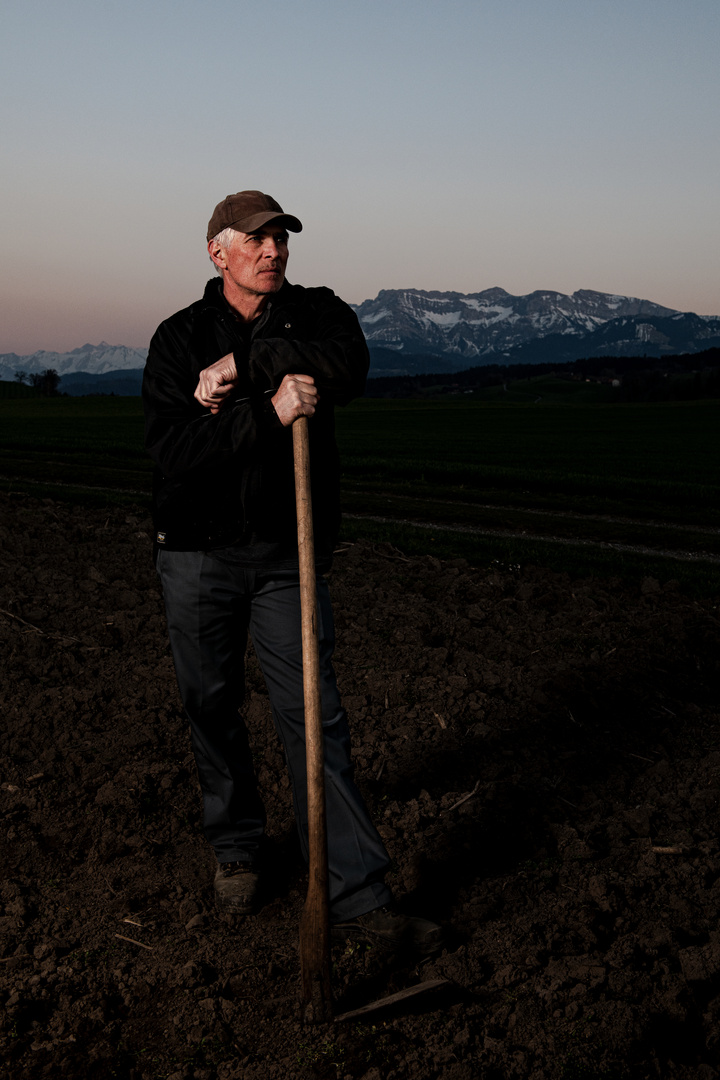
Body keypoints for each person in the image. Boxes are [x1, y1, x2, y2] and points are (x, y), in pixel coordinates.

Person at [142, 190, 442, 954]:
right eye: (256, 240)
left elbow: (348, 366)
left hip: (287, 556)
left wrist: (248, 362)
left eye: (281, 239)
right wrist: (264, 411)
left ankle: (358, 894)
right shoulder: (177, 339)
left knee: (317, 717)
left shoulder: (319, 311)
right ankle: (238, 846)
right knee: (209, 704)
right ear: (218, 251)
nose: (273, 251)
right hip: (197, 552)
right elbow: (174, 455)